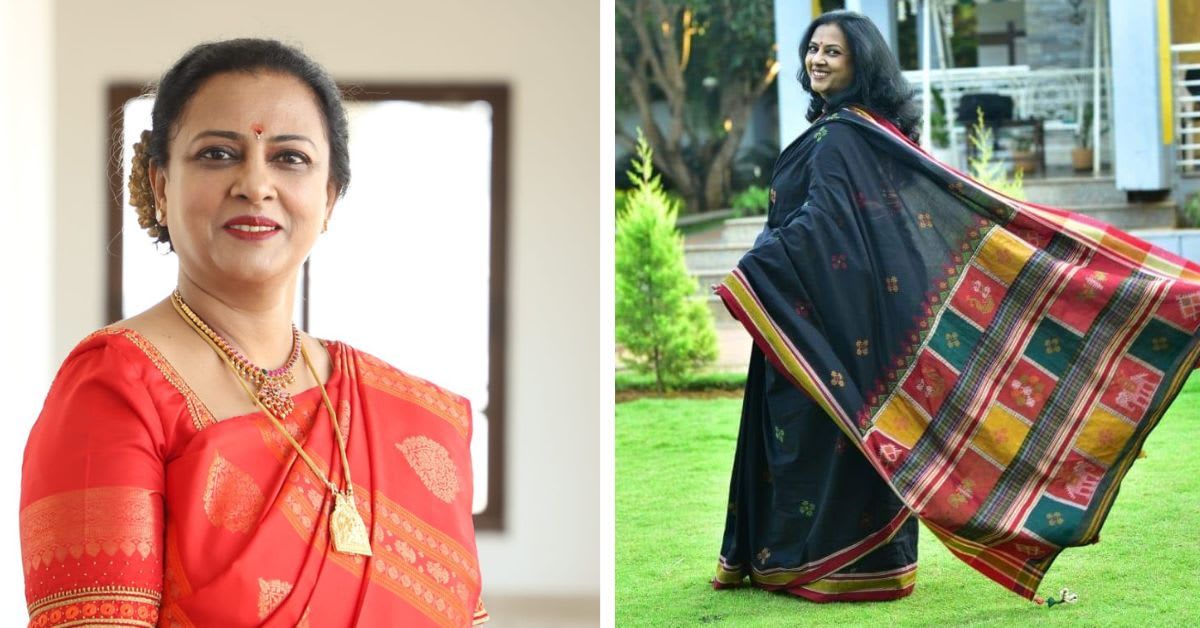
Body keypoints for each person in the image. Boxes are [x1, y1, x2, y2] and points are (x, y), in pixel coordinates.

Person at [712, 10, 1200, 604]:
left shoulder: (845, 135)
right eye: (813, 49)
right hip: (833, 311)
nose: (817, 60)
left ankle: (807, 563)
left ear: (860, 62)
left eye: (833, 52)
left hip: (826, 316)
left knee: (818, 437)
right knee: (844, 436)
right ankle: (861, 563)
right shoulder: (865, 131)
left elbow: (826, 223)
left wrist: (758, 265)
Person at [20, 38, 488, 626]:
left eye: (290, 158)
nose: (255, 184)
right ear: (160, 187)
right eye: (217, 154)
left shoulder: (411, 415)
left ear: (329, 199)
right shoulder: (115, 389)